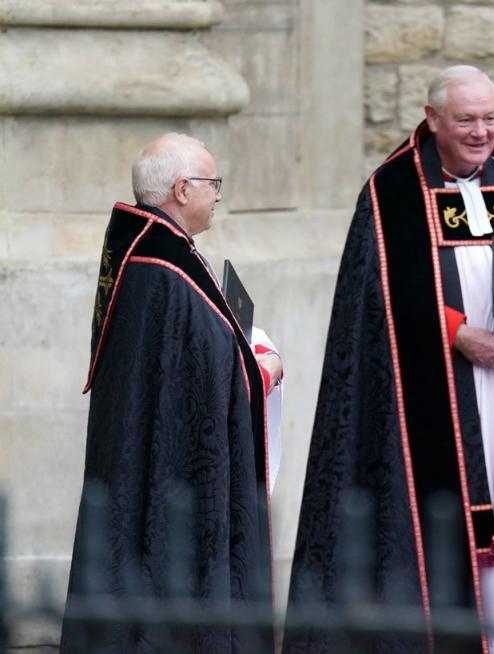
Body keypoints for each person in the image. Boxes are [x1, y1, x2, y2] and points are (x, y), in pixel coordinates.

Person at [283, 66, 494, 654]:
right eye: (466, 120)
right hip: (433, 395)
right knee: (449, 518)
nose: (482, 132)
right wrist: (457, 333)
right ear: (433, 119)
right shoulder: (393, 191)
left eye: (490, 118)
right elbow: (378, 302)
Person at [60, 133, 280, 653]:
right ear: (182, 189)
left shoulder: (142, 247)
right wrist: (263, 367)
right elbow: (207, 379)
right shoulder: (167, 269)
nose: (219, 195)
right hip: (174, 477)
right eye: (213, 183)